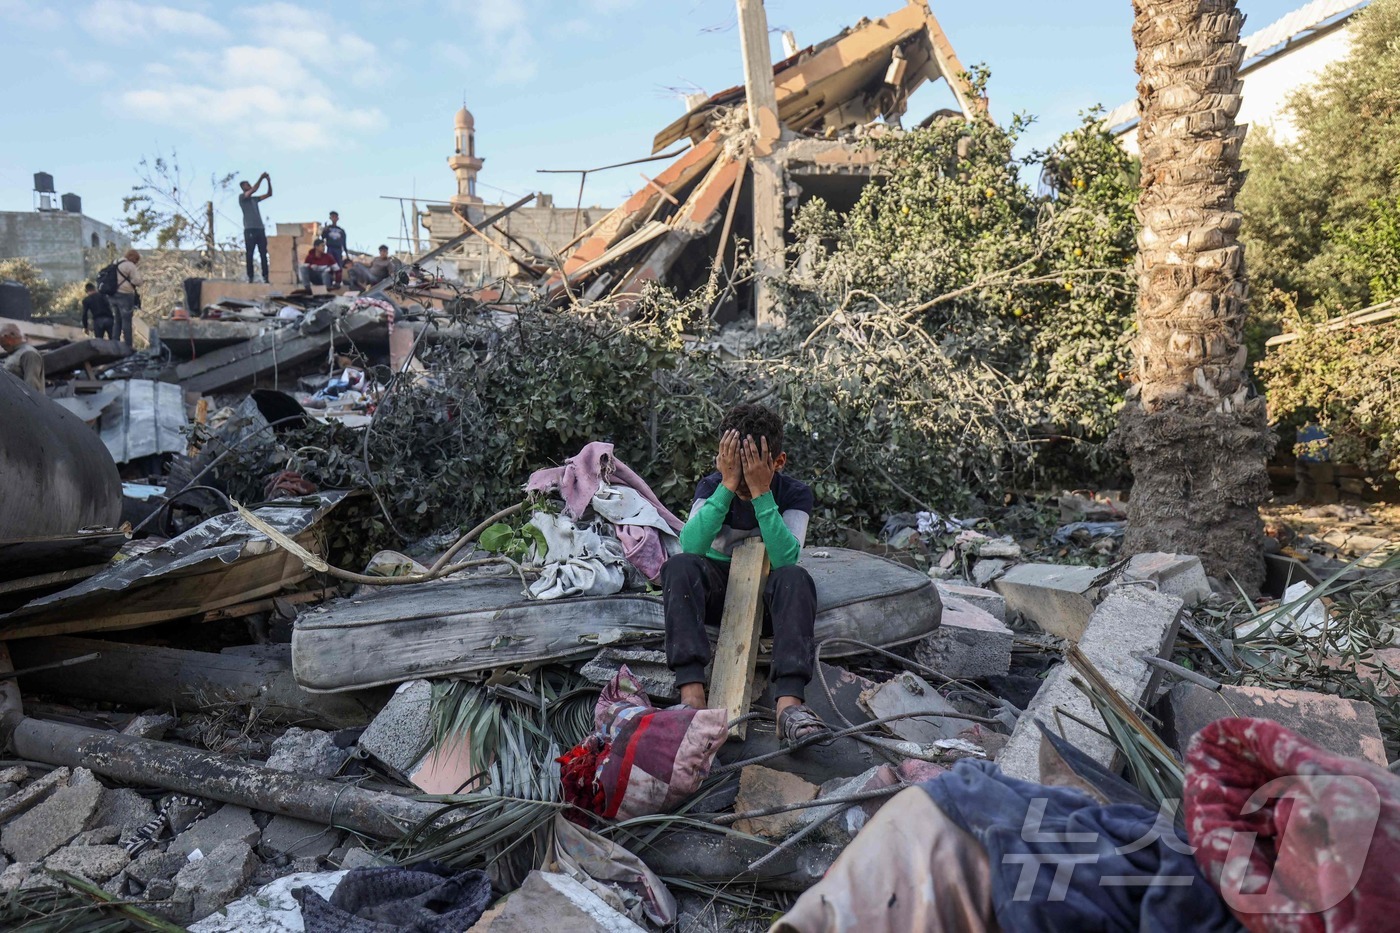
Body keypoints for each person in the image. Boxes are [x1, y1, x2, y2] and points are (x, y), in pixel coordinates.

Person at [662, 402, 830, 748]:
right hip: (716, 592)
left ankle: (789, 707)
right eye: (733, 468)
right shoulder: (713, 486)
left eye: (749, 469)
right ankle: (692, 697)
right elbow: (690, 544)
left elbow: (785, 557)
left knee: (796, 579)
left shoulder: (794, 494)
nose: (740, 479)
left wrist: (761, 494)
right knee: (678, 567)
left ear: (777, 462)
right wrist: (726, 486)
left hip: (767, 596)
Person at [238, 172, 273, 283]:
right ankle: (250, 276)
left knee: (263, 253)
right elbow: (254, 189)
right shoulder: (242, 197)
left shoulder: (254, 199)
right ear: (243, 187)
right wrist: (261, 178)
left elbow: (269, 194)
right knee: (250, 253)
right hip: (250, 229)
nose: (249, 186)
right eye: (247, 185)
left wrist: (268, 181)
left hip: (260, 228)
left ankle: (266, 276)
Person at [110, 249, 142, 349]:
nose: (136, 262)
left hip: (113, 295)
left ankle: (114, 344)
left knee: (117, 320)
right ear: (133, 258)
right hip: (125, 295)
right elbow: (136, 281)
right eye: (136, 260)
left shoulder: (115, 262)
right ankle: (128, 346)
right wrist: (141, 281)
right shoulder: (130, 265)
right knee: (126, 321)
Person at [1, 322, 44, 392]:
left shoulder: (29, 353)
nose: (2, 346)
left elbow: (32, 387)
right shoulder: (14, 354)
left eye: (3, 343)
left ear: (11, 335)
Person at [322, 211, 347, 287]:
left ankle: (338, 283)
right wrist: (325, 230)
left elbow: (344, 242)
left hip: (338, 249)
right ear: (330, 218)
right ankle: (329, 283)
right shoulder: (328, 228)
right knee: (330, 266)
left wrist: (346, 253)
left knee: (338, 266)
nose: (334, 218)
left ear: (337, 218)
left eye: (335, 217)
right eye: (332, 217)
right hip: (330, 248)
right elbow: (323, 237)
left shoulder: (341, 230)